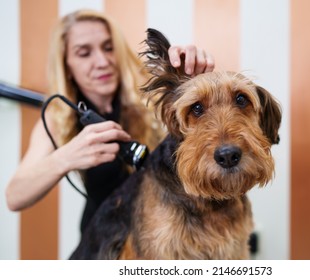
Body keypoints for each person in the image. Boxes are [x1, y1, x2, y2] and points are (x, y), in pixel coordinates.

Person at [5, 9, 215, 233]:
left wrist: (189, 83)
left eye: (109, 47)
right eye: (84, 53)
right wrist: (65, 158)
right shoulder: (58, 117)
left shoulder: (152, 97)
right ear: (67, 66)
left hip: (159, 232)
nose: (102, 61)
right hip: (101, 238)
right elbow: (14, 196)